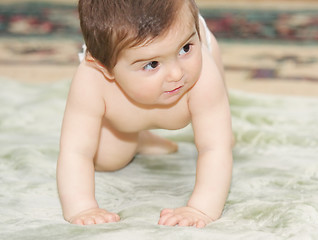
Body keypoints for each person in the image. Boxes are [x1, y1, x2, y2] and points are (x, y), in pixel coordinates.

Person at [57, 0, 233, 228]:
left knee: (220, 134)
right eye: (151, 65)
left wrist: (200, 209)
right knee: (106, 159)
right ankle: (139, 139)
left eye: (185, 49)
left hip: (193, 62)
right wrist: (83, 208)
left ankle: (186, 48)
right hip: (124, 106)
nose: (176, 74)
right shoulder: (92, 80)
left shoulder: (202, 76)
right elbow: (76, 151)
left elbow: (214, 148)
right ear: (104, 67)